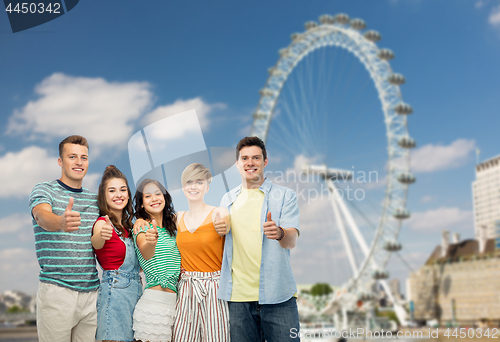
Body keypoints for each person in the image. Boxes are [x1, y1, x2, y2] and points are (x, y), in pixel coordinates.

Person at [219, 136, 300, 342]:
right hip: (238, 299)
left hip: (278, 296)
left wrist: (279, 232)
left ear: (265, 161)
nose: (250, 163)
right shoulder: (227, 199)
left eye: (256, 157)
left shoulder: (285, 196)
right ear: (237, 163)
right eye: (245, 158)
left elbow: (291, 240)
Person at [29, 135, 100, 342]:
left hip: (92, 294)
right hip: (57, 291)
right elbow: (42, 215)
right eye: (72, 157)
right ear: (60, 161)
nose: (79, 162)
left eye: (84, 158)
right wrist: (60, 223)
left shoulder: (95, 200)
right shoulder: (44, 190)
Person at [173, 163, 230, 342]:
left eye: (199, 182)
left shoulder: (218, 212)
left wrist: (225, 226)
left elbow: (226, 224)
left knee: (216, 338)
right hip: (186, 287)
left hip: (214, 288)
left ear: (207, 185)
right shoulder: (177, 217)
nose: (193, 186)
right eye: (189, 182)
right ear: (183, 187)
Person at [91, 165, 142, 342]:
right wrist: (100, 236)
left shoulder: (130, 227)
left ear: (128, 194)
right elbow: (96, 242)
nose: (118, 195)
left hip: (137, 293)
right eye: (112, 190)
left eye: (122, 190)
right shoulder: (102, 223)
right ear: (104, 196)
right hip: (115, 294)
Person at [132, 178, 181, 342]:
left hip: (176, 307)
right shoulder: (141, 227)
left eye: (158, 194)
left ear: (165, 197)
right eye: (148, 196)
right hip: (153, 306)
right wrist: (151, 242)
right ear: (141, 204)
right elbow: (145, 251)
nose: (154, 199)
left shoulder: (173, 229)